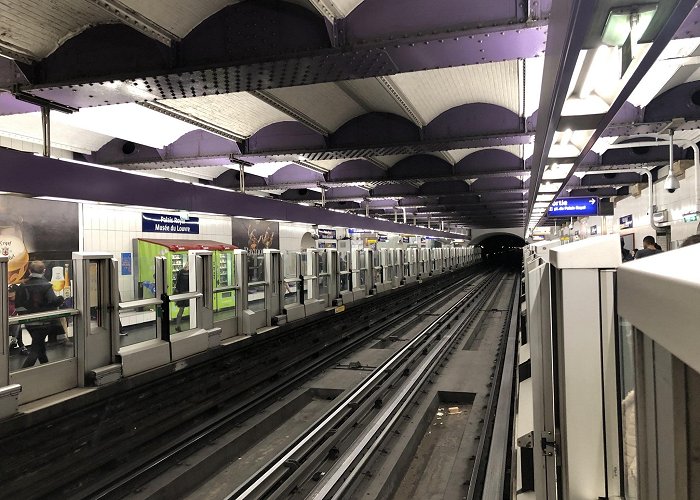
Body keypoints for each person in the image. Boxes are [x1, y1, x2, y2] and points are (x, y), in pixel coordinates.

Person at [16, 261, 64, 368]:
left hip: (28, 322)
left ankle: (47, 369)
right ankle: (23, 374)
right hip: (44, 322)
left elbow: (18, 304)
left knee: (40, 348)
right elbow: (53, 301)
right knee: (35, 350)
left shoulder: (23, 285)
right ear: (44, 271)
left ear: (29, 271)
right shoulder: (46, 285)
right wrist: (61, 299)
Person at [8, 284, 28, 354]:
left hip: (13, 323)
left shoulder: (19, 301)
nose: (9, 296)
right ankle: (17, 343)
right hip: (5, 323)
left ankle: (17, 343)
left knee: (17, 324)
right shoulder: (5, 301)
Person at [173, 263, 189, 332]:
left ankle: (177, 325)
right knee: (195, 308)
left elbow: (177, 284)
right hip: (190, 293)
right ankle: (195, 324)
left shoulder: (180, 272)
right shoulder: (191, 272)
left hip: (181, 293)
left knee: (181, 309)